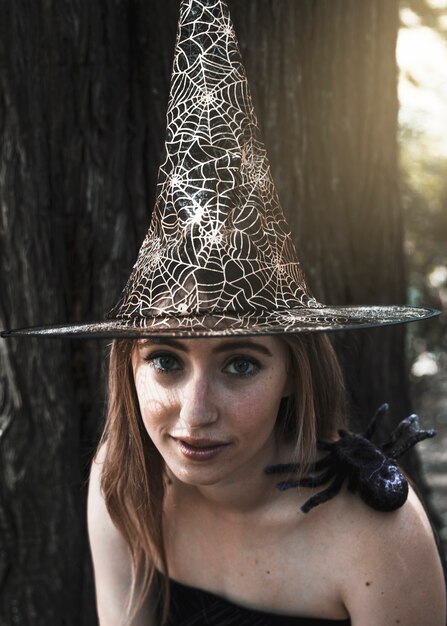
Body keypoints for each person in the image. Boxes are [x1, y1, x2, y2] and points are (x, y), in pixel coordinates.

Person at [2, 1, 445, 624]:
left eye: (240, 363)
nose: (195, 412)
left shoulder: (376, 538)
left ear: (292, 371)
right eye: (164, 359)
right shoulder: (127, 484)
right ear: (127, 365)